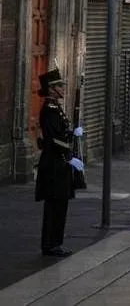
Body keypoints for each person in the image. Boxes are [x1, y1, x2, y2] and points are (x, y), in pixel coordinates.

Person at [35, 68, 82, 257]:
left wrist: (72, 134)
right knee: (54, 205)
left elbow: (61, 133)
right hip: (54, 162)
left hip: (59, 162)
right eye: (60, 85)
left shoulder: (55, 107)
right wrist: (70, 156)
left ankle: (56, 242)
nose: (63, 88)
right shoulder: (49, 109)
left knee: (61, 204)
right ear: (52, 89)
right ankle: (50, 244)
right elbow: (53, 139)